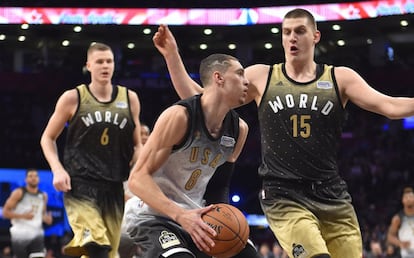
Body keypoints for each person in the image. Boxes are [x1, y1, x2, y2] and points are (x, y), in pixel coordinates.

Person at [152, 7, 414, 258]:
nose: (292, 38)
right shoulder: (263, 76)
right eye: (287, 32)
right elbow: (203, 100)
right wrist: (172, 56)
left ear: (315, 36)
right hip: (283, 194)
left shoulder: (339, 78)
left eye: (299, 31)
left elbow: (389, 105)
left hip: (332, 193)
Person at [127, 53, 261, 258]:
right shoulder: (180, 117)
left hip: (198, 215)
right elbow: (137, 179)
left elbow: (219, 187)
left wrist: (225, 219)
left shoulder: (238, 130)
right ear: (219, 78)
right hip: (154, 216)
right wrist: (180, 215)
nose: (247, 81)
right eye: (240, 74)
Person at [40, 42, 142, 258]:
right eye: (99, 62)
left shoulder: (130, 98)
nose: (105, 66)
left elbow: (137, 144)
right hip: (81, 184)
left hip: (114, 186)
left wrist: (138, 167)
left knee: (109, 253)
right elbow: (47, 138)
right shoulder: (73, 97)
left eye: (109, 61)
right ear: (89, 65)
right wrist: (57, 169)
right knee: (97, 245)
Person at [2, 168, 53, 258]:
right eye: (30, 176)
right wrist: (23, 216)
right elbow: (5, 213)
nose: (33, 178)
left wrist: (46, 219)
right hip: (20, 235)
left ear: (39, 179)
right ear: (26, 179)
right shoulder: (18, 193)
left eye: (36, 176)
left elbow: (41, 214)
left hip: (37, 235)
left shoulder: (43, 195)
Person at [387, 186, 414, 258]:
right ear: (403, 200)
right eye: (406, 197)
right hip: (406, 254)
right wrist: (400, 243)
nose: (408, 199)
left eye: (410, 197)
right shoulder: (397, 218)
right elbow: (390, 236)